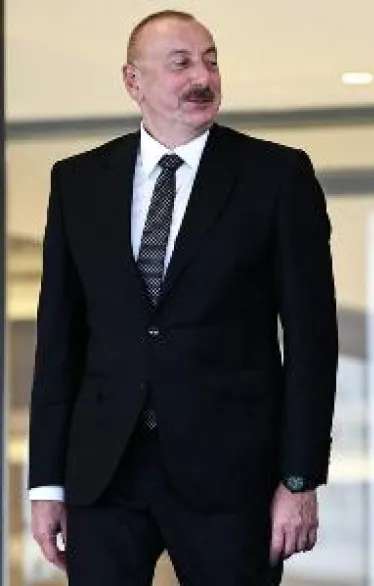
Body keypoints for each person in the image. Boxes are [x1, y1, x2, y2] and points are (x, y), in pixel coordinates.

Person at [27, 10, 338, 586]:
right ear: (133, 81)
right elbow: (59, 343)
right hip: (104, 474)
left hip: (231, 478)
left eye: (211, 61)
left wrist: (299, 479)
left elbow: (312, 342)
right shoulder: (77, 182)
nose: (203, 77)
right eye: (181, 64)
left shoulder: (277, 176)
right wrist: (46, 483)